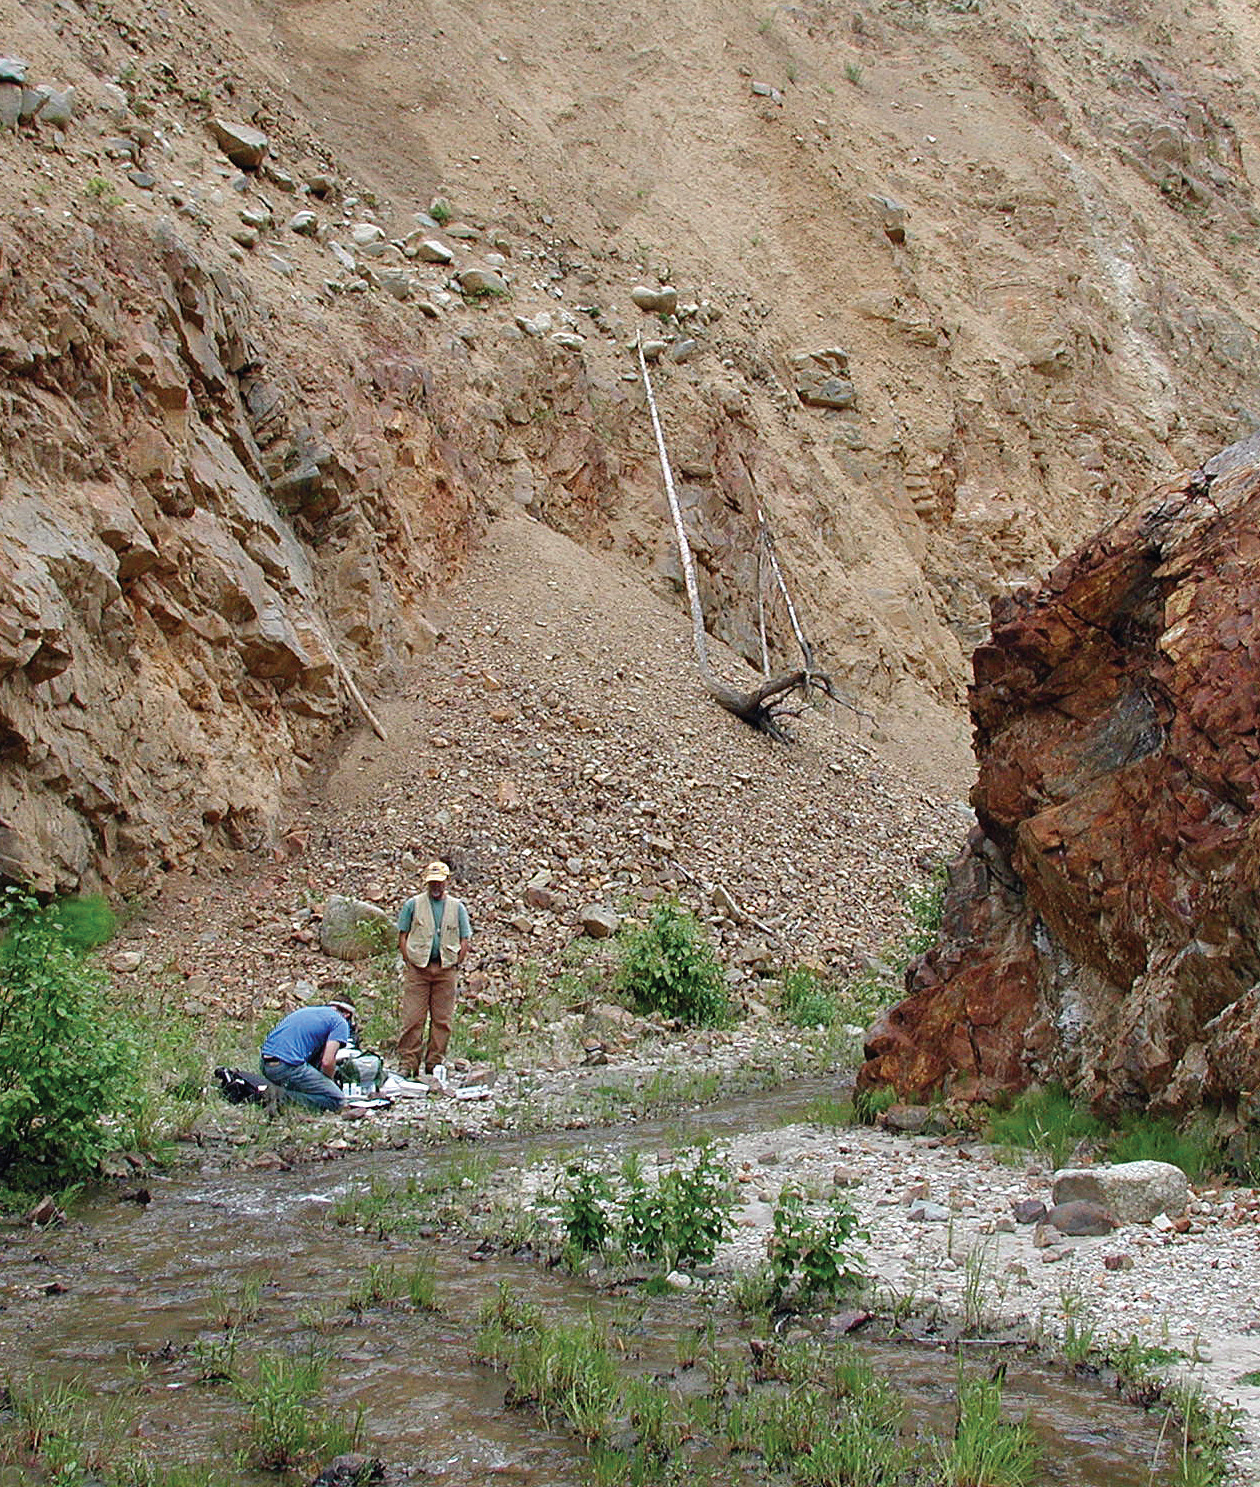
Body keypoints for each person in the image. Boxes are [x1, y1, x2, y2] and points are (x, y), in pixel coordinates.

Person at [396, 861, 471, 1077]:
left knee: (442, 1020)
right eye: (432, 883)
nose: (436, 886)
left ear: (447, 881)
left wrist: (457, 962)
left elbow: (465, 937)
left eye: (440, 882)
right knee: (413, 1018)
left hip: (446, 969)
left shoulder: (457, 907)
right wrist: (408, 959)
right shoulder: (413, 904)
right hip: (418, 969)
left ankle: (434, 1064)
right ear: (427, 883)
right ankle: (408, 1063)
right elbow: (403, 934)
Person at [259, 999, 364, 1117]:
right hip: (286, 1066)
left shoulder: (307, 1011)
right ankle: (280, 1097)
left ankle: (276, 1091)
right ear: (347, 1014)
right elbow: (327, 1062)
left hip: (266, 1064)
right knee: (335, 1099)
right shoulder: (340, 1022)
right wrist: (329, 1083)